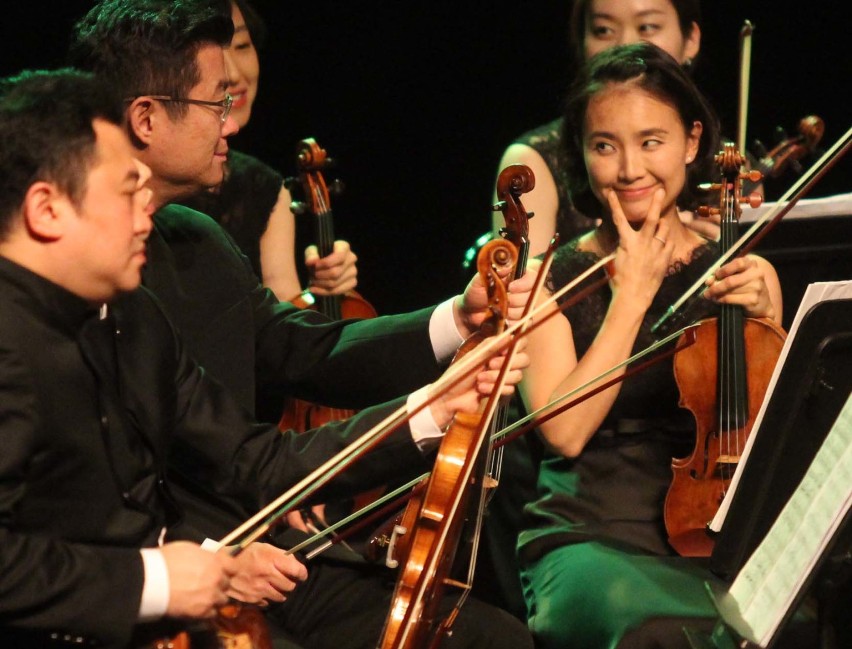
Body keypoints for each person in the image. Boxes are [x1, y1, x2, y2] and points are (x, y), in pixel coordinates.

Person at [68, 1, 536, 647]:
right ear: (146, 117)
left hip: (269, 544)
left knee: (490, 637)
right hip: (166, 568)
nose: (232, 118)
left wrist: (456, 318)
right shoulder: (68, 283)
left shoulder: (195, 240)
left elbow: (305, 348)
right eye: (215, 102)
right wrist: (430, 409)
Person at [517, 42, 784, 648]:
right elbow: (563, 432)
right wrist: (631, 297)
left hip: (716, 532)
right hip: (589, 536)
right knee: (659, 633)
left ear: (692, 143)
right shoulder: (550, 281)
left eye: (651, 142)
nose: (630, 168)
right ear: (581, 156)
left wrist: (771, 328)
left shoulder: (737, 265)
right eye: (605, 145)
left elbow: (774, 431)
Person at [492, 0, 706, 255]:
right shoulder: (534, 159)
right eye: (603, 30)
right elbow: (520, 284)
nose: (626, 45)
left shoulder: (730, 168)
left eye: (647, 26)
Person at [182, 0, 358, 303]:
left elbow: (283, 323)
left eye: (241, 45)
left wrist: (319, 292)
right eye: (217, 52)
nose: (235, 74)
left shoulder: (265, 190)